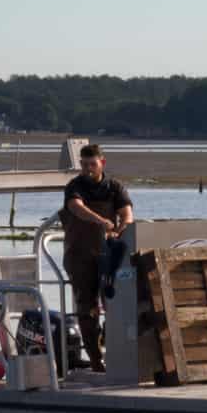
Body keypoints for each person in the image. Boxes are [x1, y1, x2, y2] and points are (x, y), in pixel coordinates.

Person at [61, 143, 133, 372]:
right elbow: (76, 207)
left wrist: (121, 228)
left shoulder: (115, 187)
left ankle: (116, 354)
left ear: (102, 162)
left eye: (92, 164)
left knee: (114, 304)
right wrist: (100, 220)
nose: (88, 169)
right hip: (79, 255)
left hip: (109, 255)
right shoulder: (75, 186)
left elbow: (127, 213)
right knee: (87, 307)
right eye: (84, 165)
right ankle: (95, 360)